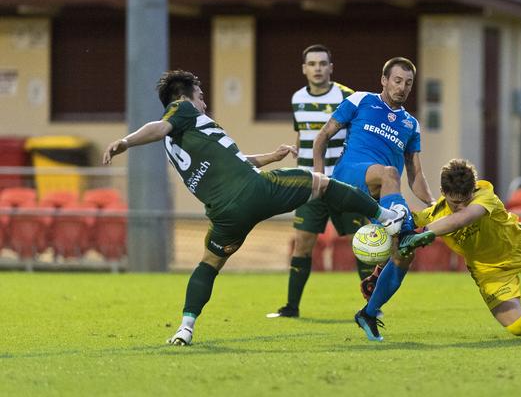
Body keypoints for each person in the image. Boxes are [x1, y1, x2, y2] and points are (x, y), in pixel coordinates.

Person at [102, 69, 407, 346]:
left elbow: (233, 160)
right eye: (201, 95)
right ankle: (388, 217)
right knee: (322, 184)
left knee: (209, 263)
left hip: (225, 215)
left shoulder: (181, 139)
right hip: (255, 190)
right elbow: (158, 126)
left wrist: (271, 157)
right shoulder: (180, 111)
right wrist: (125, 142)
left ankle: (185, 327)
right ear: (184, 96)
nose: (204, 102)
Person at [355, 158, 521, 342]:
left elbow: (462, 219)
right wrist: (381, 255)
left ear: (474, 188)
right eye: (454, 202)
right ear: (443, 192)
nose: (461, 206)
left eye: (466, 200)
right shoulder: (433, 215)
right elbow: (399, 225)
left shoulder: (485, 194)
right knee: (519, 327)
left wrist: (422, 233)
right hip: (488, 270)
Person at [313, 57, 435, 301]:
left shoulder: (411, 124)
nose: (402, 87)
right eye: (397, 81)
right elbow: (322, 137)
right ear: (384, 80)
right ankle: (398, 227)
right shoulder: (361, 100)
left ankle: (372, 301)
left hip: (381, 195)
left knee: (405, 252)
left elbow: (416, 174)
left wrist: (433, 203)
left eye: (408, 83)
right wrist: (319, 176)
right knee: (389, 173)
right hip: (348, 175)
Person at [267, 44, 370, 319]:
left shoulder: (347, 97)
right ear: (304, 69)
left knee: (362, 242)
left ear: (331, 68)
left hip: (342, 182)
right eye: (312, 64)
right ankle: (291, 308)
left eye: (323, 64)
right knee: (303, 242)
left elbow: (359, 137)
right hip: (309, 185)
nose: (317, 68)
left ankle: (373, 307)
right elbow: (303, 134)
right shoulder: (297, 98)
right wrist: (298, 155)